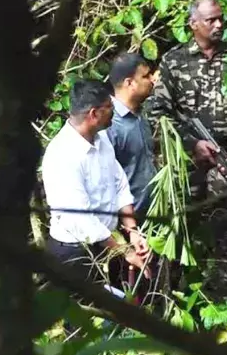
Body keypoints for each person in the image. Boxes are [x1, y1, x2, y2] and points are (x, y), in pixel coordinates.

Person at [145, 0, 227, 299]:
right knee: (179, 228)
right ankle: (167, 296)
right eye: (211, 20)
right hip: (189, 164)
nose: (219, 25)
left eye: (221, 19)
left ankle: (221, 298)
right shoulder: (174, 61)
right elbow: (157, 113)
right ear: (194, 24)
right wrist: (193, 143)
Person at [41, 79, 152, 282]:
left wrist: (132, 231)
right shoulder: (63, 155)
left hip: (108, 243)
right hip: (76, 252)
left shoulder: (102, 140)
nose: (114, 111)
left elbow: (119, 183)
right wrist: (125, 251)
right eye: (109, 107)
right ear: (94, 114)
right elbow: (82, 219)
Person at [106, 53, 158, 221]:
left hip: (153, 214)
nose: (152, 80)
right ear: (130, 83)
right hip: (129, 223)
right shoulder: (109, 124)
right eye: (145, 76)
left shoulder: (141, 114)